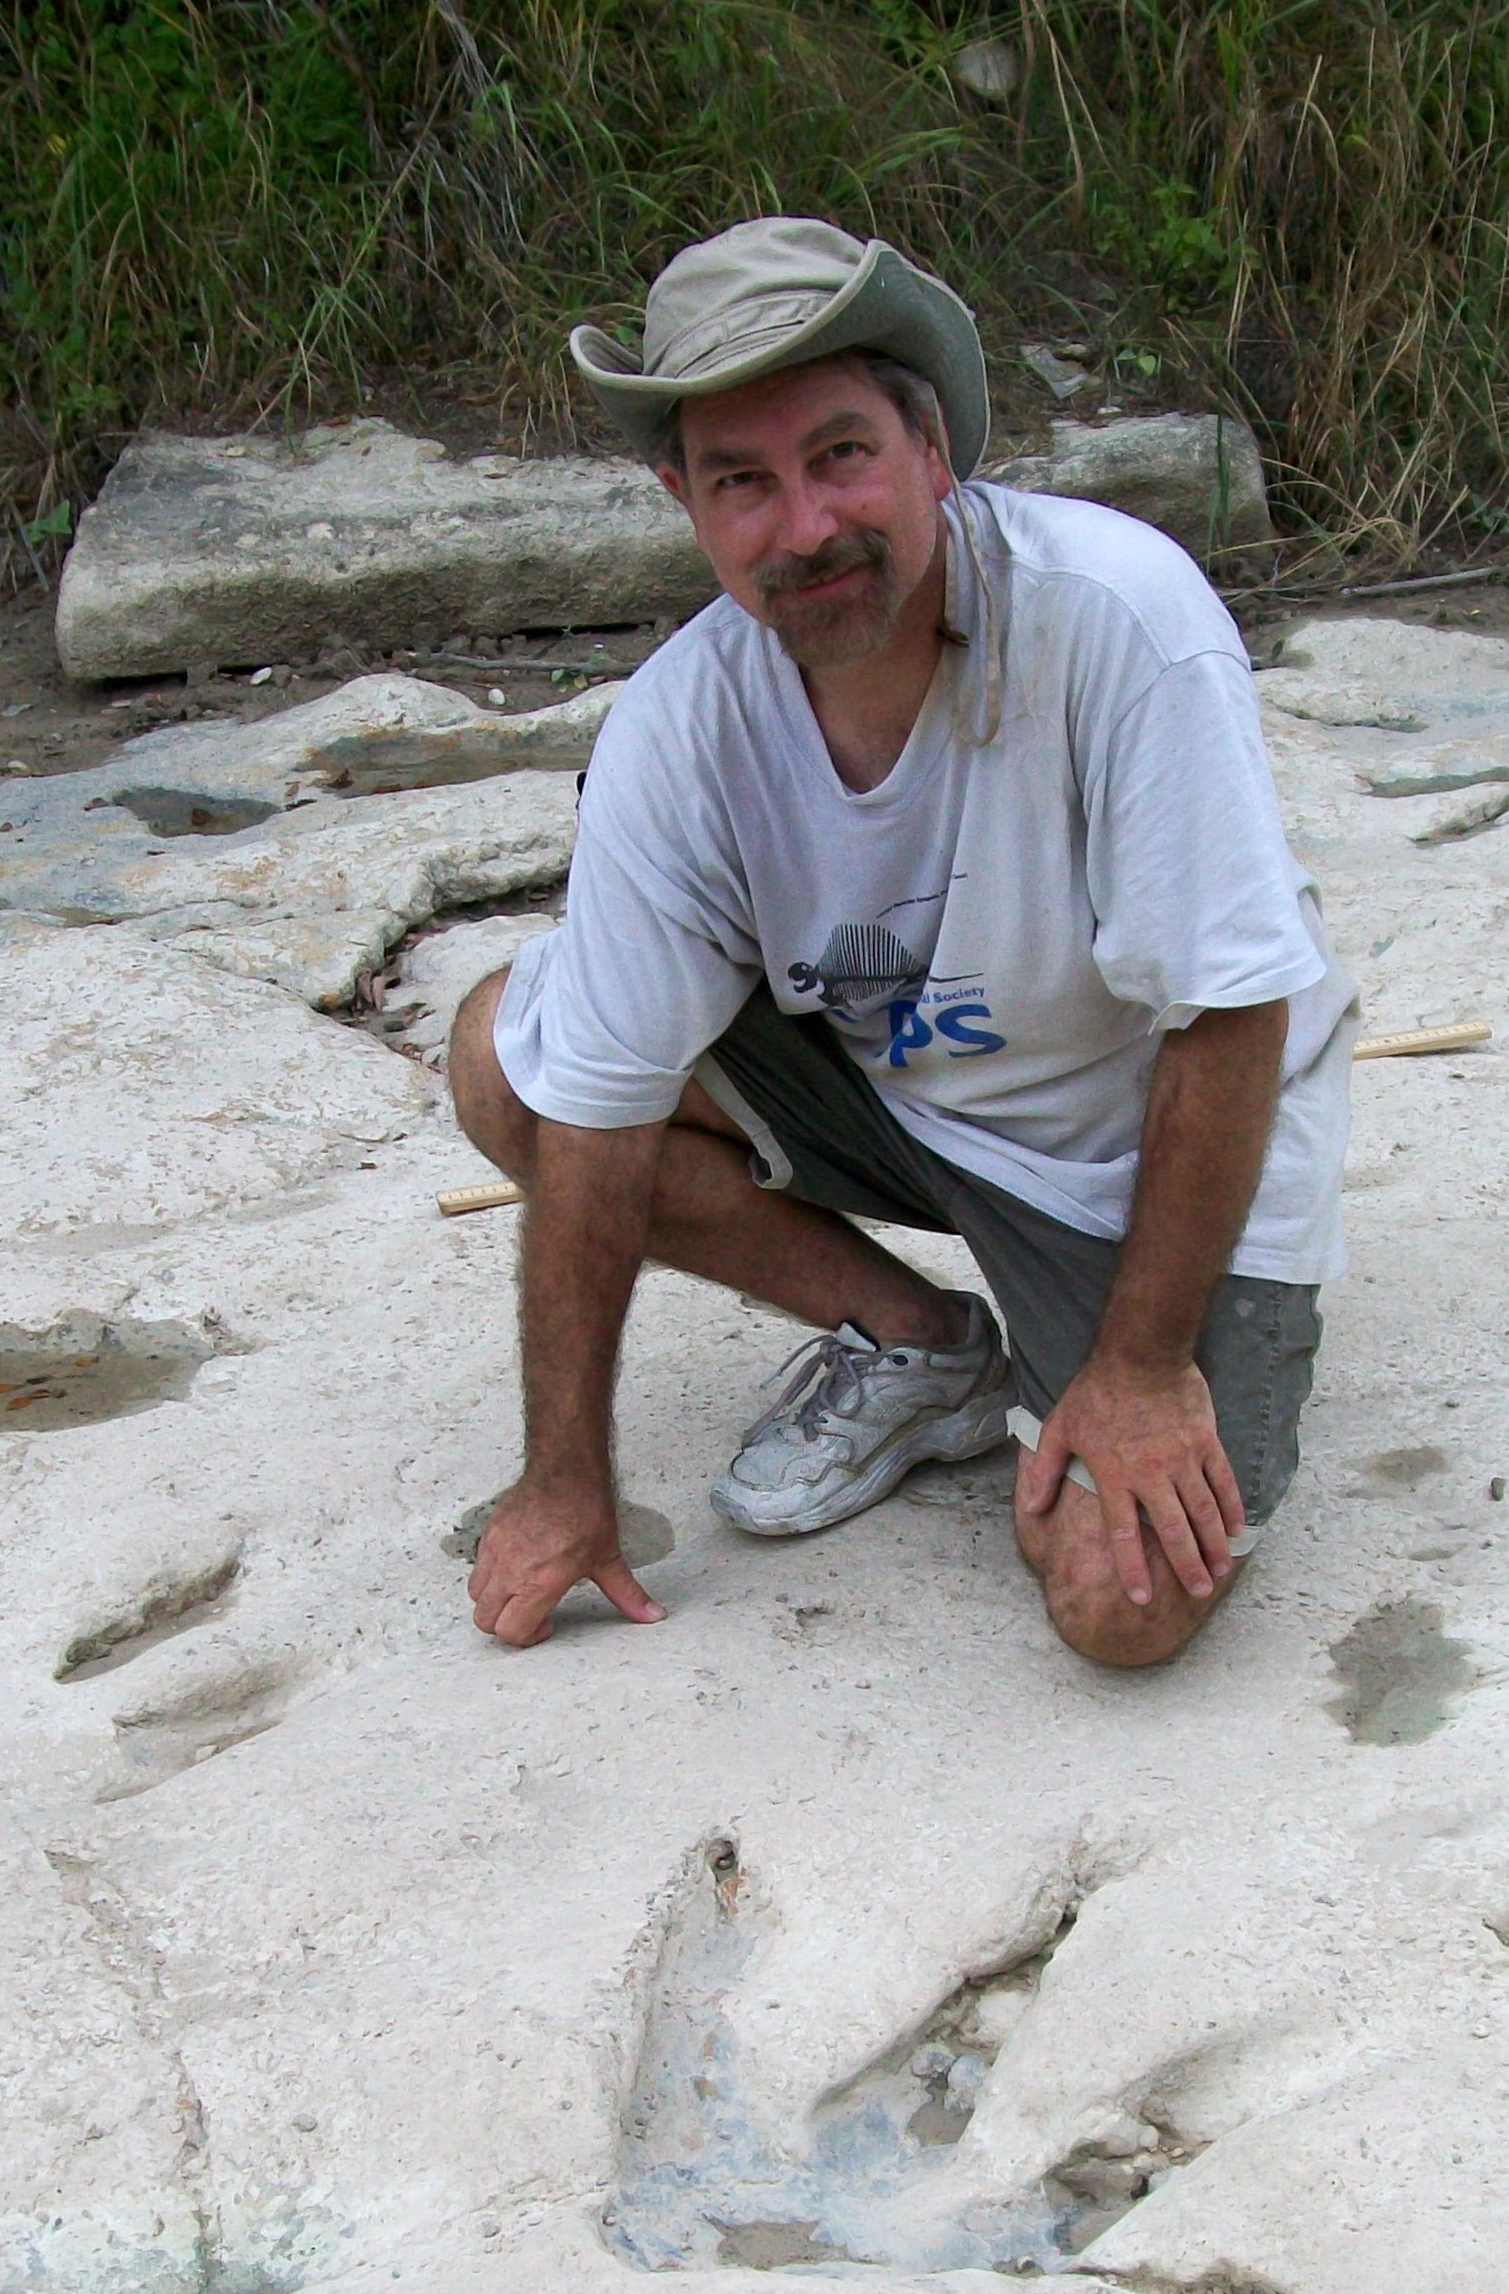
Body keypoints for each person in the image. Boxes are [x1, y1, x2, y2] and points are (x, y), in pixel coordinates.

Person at [449, 216, 1354, 1669]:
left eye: (841, 455)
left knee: (1121, 1609)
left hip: (1144, 1147)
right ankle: (922, 1345)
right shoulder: (680, 724)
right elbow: (603, 1106)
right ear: (687, 505)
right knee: (510, 1056)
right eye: (744, 482)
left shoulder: (1117, 619)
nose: (806, 527)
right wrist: (565, 1477)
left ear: (933, 450)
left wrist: (1139, 1369)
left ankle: (1123, 1339)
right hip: (907, 1100)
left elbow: (1234, 1011)